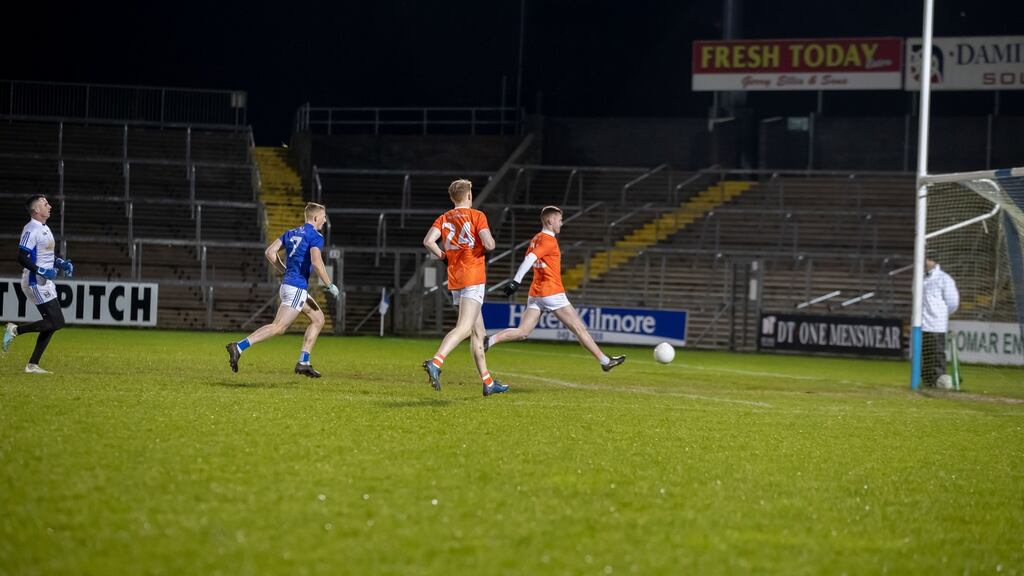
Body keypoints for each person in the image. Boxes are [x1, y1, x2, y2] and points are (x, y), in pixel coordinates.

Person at [485, 205, 625, 372]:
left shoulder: (536, 238)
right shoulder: (548, 240)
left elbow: (531, 257)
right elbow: (530, 258)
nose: (561, 223)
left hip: (536, 292)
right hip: (552, 291)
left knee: (523, 332)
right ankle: (604, 361)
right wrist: (515, 281)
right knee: (579, 328)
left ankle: (489, 341)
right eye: (559, 220)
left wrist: (517, 282)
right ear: (550, 221)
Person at [226, 202, 340, 378]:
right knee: (279, 327)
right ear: (316, 218)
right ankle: (239, 346)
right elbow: (317, 262)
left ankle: (304, 362)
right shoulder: (315, 236)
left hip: (289, 285)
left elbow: (270, 252)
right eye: (323, 218)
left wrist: (284, 270)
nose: (324, 221)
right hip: (296, 288)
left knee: (318, 319)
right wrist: (329, 284)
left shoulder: (291, 233)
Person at [422, 179, 508, 396]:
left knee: (479, 332)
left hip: (456, 278)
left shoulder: (444, 217)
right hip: (473, 276)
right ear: (469, 195)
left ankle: (487, 382)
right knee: (464, 327)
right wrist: (480, 246)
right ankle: (436, 362)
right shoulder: (477, 215)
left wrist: (444, 256)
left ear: (453, 198)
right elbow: (490, 245)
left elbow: (428, 241)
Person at [3, 195, 74, 374]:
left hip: (45, 282)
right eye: (45, 204)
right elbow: (21, 256)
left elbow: (46, 256)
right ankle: (16, 330)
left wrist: (61, 263)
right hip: (35, 282)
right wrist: (41, 271)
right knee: (57, 321)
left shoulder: (45, 228)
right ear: (36, 210)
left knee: (51, 323)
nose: (49, 206)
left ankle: (32, 365)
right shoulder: (31, 229)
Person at [921, 253, 959, 387]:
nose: (925, 261)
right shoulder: (920, 278)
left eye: (927, 259)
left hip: (936, 324)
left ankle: (939, 382)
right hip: (921, 323)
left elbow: (953, 302)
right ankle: (927, 382)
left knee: (936, 354)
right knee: (924, 356)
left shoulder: (944, 279)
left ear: (934, 261)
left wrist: (940, 314)